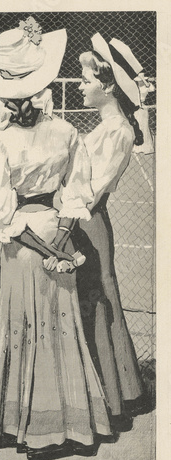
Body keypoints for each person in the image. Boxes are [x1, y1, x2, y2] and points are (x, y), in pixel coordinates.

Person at [0, 19, 113, 460]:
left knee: (18, 328)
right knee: (57, 331)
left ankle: (21, 427)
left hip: (25, 244)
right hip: (54, 237)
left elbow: (3, 213)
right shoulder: (67, 131)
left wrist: (49, 250)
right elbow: (76, 194)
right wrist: (62, 247)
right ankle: (56, 426)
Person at [65, 33, 147, 430]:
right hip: (81, 218)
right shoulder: (103, 128)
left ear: (108, 85)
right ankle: (115, 391)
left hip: (87, 222)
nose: (80, 86)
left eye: (85, 80)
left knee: (98, 304)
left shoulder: (117, 131)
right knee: (90, 304)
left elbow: (91, 189)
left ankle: (114, 401)